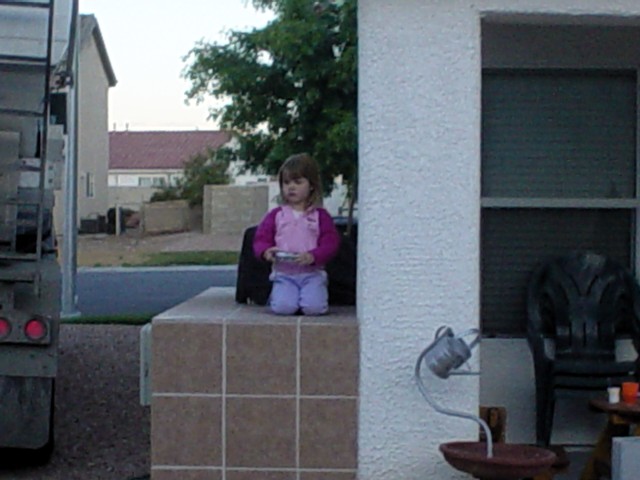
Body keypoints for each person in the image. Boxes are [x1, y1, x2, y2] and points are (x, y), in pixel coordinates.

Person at [253, 153, 341, 315]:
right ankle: (280, 296)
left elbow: (331, 242)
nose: (291, 187)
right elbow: (260, 239)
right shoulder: (276, 215)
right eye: (286, 183)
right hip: (284, 274)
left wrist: (314, 256)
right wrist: (265, 251)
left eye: (298, 182)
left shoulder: (320, 216)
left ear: (311, 185)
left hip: (312, 274)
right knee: (283, 308)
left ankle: (307, 297)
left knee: (314, 308)